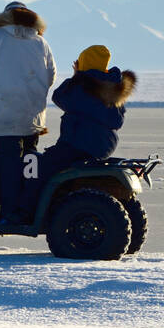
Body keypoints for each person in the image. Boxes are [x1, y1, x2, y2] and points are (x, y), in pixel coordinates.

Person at [18, 45, 137, 217]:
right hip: (102, 146)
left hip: (77, 144)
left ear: (85, 63)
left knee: (38, 167)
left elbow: (59, 97)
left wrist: (77, 76)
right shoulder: (113, 86)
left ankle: (25, 211)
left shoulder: (85, 84)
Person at [0, 0, 56, 224]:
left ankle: (6, 214)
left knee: (5, 169)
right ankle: (28, 212)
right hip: (31, 119)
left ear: (5, 16)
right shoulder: (41, 42)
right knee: (29, 167)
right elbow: (50, 75)